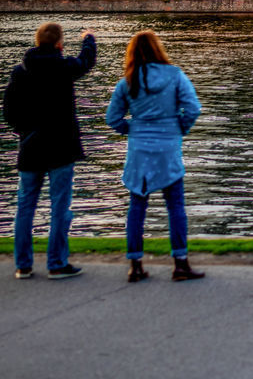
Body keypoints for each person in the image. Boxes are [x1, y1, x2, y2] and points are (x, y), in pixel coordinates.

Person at [105, 30, 204, 283]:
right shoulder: (175, 75)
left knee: (137, 207)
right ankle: (180, 263)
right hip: (168, 147)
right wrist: (179, 127)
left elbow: (112, 118)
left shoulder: (127, 81)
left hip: (139, 149)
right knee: (176, 207)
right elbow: (193, 107)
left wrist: (132, 129)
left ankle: (135, 264)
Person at [3, 21, 97, 280]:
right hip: (61, 146)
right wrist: (89, 38)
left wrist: (23, 130)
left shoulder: (19, 72)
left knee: (25, 205)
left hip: (31, 146)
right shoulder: (64, 68)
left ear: (37, 42)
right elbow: (86, 61)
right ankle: (56, 263)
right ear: (59, 43)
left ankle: (23, 265)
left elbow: (8, 113)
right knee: (59, 206)